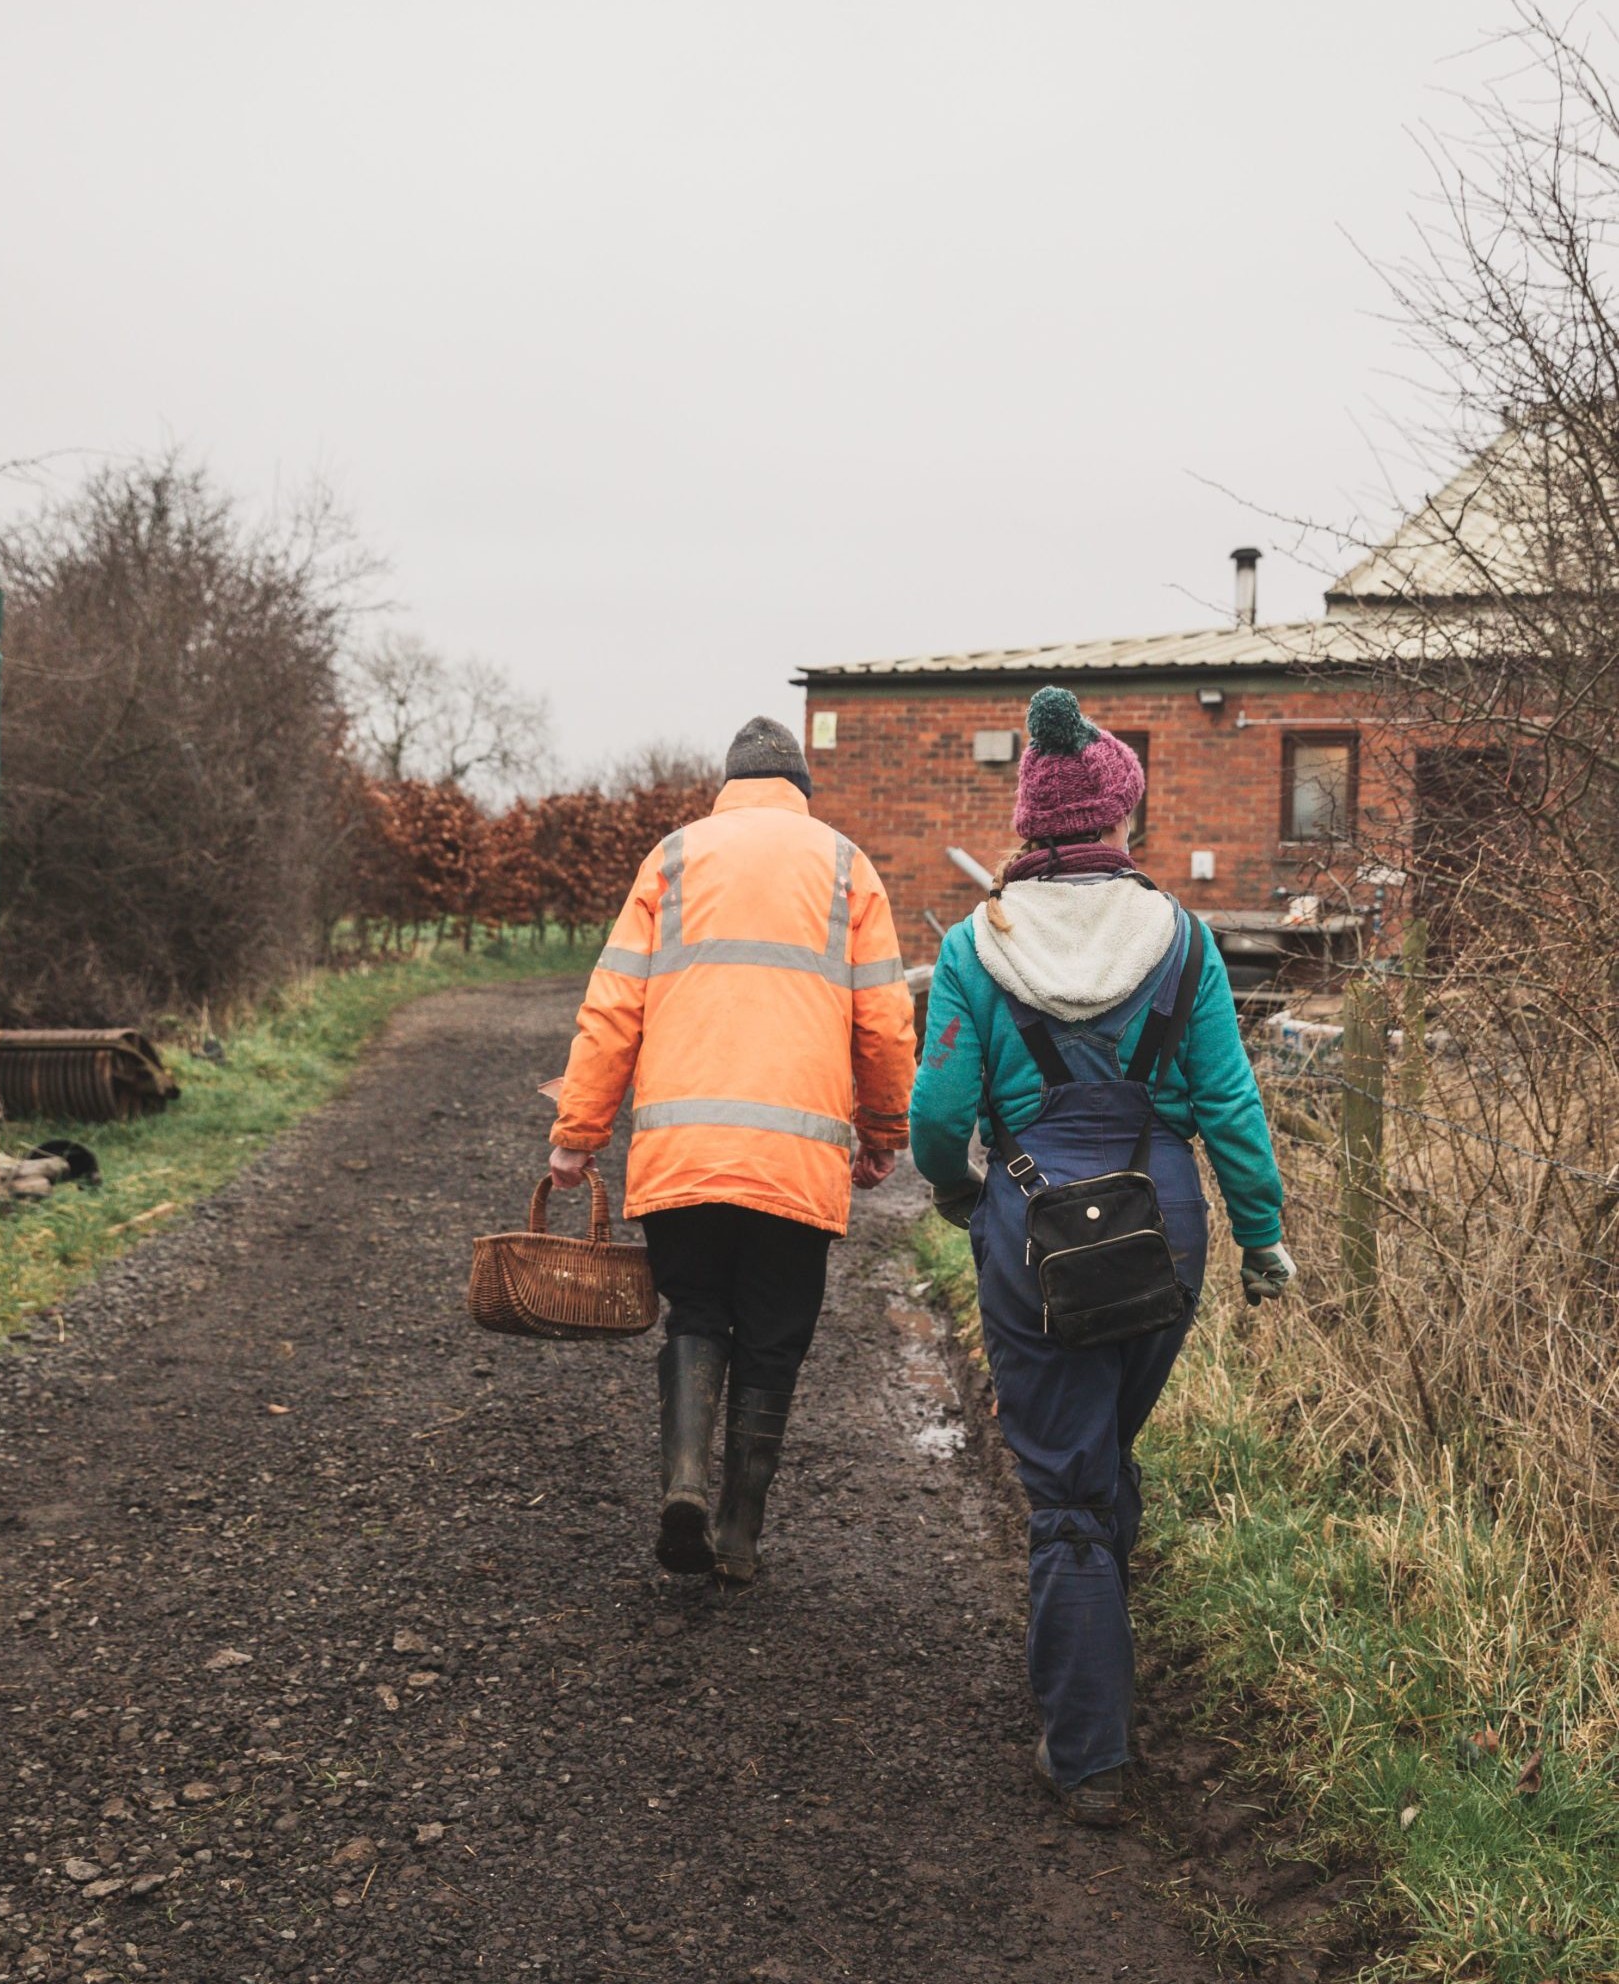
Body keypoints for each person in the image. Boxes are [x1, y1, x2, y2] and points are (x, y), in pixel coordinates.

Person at [909, 685, 1294, 1826]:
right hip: (1162, 1223)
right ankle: (1100, 1659)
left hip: (1034, 1225)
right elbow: (1228, 1104)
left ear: (1030, 825)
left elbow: (940, 1108)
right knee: (1100, 1446)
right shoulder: (1184, 937)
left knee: (1068, 1482)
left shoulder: (977, 944)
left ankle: (1087, 1754)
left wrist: (957, 1190)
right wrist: (1263, 1240)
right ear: (1119, 819)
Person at [549, 716, 917, 1585]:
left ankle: (682, 1482)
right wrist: (882, 1132)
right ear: (800, 789)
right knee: (774, 1338)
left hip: (684, 1148)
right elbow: (885, 1024)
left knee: (695, 1314)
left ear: (727, 784)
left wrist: (578, 1134)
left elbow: (612, 1011)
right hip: (794, 1160)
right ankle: (741, 1528)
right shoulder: (844, 865)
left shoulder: (672, 858)